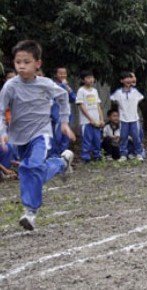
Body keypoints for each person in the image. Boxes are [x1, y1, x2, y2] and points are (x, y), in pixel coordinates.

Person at [0, 40, 75, 230]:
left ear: (37, 64)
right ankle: (62, 163)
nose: (22, 66)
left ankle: (30, 212)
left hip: (42, 134)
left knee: (30, 168)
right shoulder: (10, 86)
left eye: (26, 62)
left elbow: (63, 96)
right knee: (31, 171)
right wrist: (2, 132)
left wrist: (64, 122)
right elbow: (1, 111)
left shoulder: (46, 84)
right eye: (18, 62)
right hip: (19, 138)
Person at [110, 71, 144, 162]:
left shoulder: (135, 92)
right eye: (126, 78)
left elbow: (140, 99)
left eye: (129, 78)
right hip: (123, 119)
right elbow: (113, 99)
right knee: (123, 137)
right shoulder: (118, 93)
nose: (128, 80)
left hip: (134, 119)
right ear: (121, 80)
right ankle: (123, 154)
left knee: (136, 137)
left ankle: (139, 154)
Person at [76, 70, 104, 162]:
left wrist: (101, 119)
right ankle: (86, 157)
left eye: (92, 77)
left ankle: (97, 155)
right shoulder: (81, 90)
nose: (91, 79)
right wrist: (90, 119)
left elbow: (98, 106)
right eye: (88, 78)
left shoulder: (95, 91)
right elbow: (81, 106)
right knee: (87, 140)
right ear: (83, 80)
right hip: (86, 121)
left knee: (97, 139)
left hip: (97, 121)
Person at [51, 66, 77, 156]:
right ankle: (55, 157)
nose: (63, 75)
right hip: (57, 116)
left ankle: (63, 158)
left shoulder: (66, 85)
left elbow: (74, 99)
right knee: (57, 138)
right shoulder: (53, 85)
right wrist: (63, 85)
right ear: (55, 74)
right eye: (60, 73)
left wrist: (68, 89)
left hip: (67, 115)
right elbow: (53, 97)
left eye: (64, 73)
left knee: (66, 137)